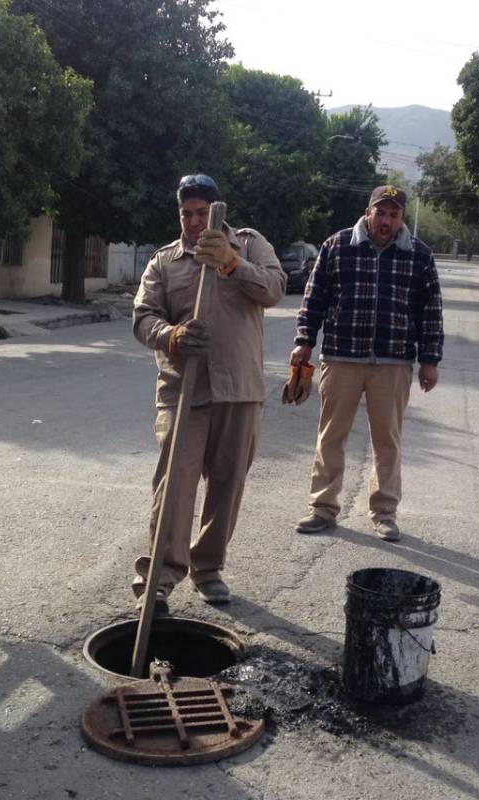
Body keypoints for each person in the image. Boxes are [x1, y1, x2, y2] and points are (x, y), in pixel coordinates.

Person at [131, 174, 285, 614]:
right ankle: (159, 580)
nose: (194, 222)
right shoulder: (164, 262)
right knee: (173, 486)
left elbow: (274, 289)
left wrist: (232, 264)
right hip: (184, 391)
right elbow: (143, 318)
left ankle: (208, 567)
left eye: (201, 213)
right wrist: (172, 335)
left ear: (218, 211)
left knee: (227, 483)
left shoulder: (251, 245)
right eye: (186, 213)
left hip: (239, 389)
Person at [290, 185, 444, 542]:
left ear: (402, 218)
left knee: (387, 441)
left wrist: (430, 361)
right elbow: (314, 300)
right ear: (368, 212)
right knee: (331, 436)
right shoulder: (337, 246)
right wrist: (303, 342)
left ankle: (384, 513)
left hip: (393, 362)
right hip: (342, 356)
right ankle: (322, 508)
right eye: (381, 213)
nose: (387, 221)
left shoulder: (419, 255)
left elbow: (430, 312)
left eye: (394, 214)